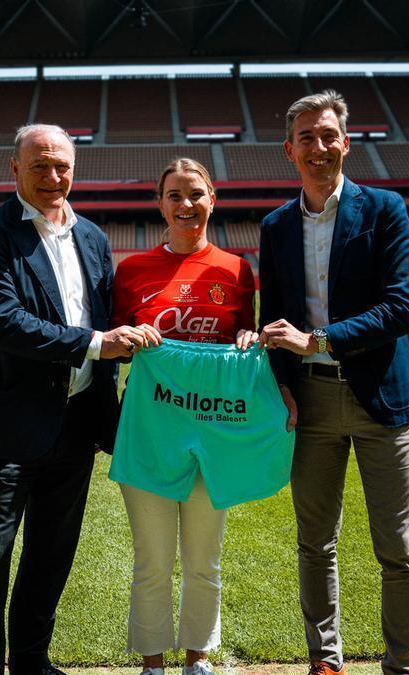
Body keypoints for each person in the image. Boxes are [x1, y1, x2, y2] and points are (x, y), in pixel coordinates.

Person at [0, 123, 154, 675]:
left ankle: (31, 662)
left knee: (51, 553)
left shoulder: (92, 237)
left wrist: (149, 341)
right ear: (14, 168)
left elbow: (107, 318)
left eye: (62, 165)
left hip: (77, 421)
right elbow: (8, 325)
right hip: (12, 424)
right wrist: (98, 343)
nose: (53, 176)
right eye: (40, 164)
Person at [257, 91, 409, 675]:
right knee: (315, 542)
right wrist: (284, 382)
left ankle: (403, 667)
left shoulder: (385, 208)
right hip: (308, 402)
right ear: (289, 151)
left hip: (383, 394)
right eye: (306, 137)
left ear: (346, 141)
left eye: (328, 134)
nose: (319, 146)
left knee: (398, 548)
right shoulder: (276, 225)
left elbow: (403, 307)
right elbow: (279, 312)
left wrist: (319, 340)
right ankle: (325, 662)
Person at [108, 159, 258, 675]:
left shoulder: (238, 271)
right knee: (151, 561)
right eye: (175, 195)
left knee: (203, 560)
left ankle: (198, 660)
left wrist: (248, 339)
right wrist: (130, 340)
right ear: (160, 203)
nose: (186, 205)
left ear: (213, 198)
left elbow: (248, 349)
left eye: (196, 193)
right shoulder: (130, 271)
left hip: (213, 433)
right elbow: (113, 349)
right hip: (149, 430)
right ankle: (152, 665)